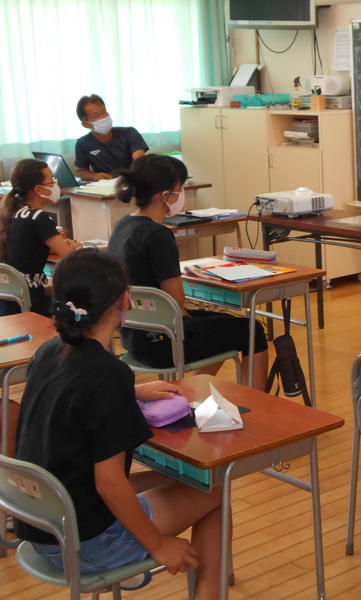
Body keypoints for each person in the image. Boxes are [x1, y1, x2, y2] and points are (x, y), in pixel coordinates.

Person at [14, 248, 222, 598]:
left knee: (177, 479)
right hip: (86, 543)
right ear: (124, 299)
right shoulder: (109, 374)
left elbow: (73, 394)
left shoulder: (50, 352)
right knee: (213, 490)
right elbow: (109, 484)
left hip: (42, 524)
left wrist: (132, 392)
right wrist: (158, 545)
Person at [108, 154, 269, 390]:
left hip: (134, 337)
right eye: (180, 188)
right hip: (165, 343)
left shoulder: (123, 225)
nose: (181, 194)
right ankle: (253, 404)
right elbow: (176, 301)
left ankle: (189, 392)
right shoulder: (158, 235)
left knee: (225, 326)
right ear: (165, 195)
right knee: (252, 330)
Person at [0, 158, 79, 316]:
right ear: (38, 189)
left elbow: (23, 248)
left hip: (9, 299)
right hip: (31, 301)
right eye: (52, 181)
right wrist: (74, 246)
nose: (56, 185)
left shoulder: (9, 212)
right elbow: (69, 255)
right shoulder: (38, 217)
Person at [74, 94, 148, 181]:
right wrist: (94, 176)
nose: (104, 117)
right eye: (97, 115)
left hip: (132, 181)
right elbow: (81, 171)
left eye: (104, 112)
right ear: (86, 124)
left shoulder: (129, 133)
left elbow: (139, 163)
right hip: (105, 185)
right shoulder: (83, 143)